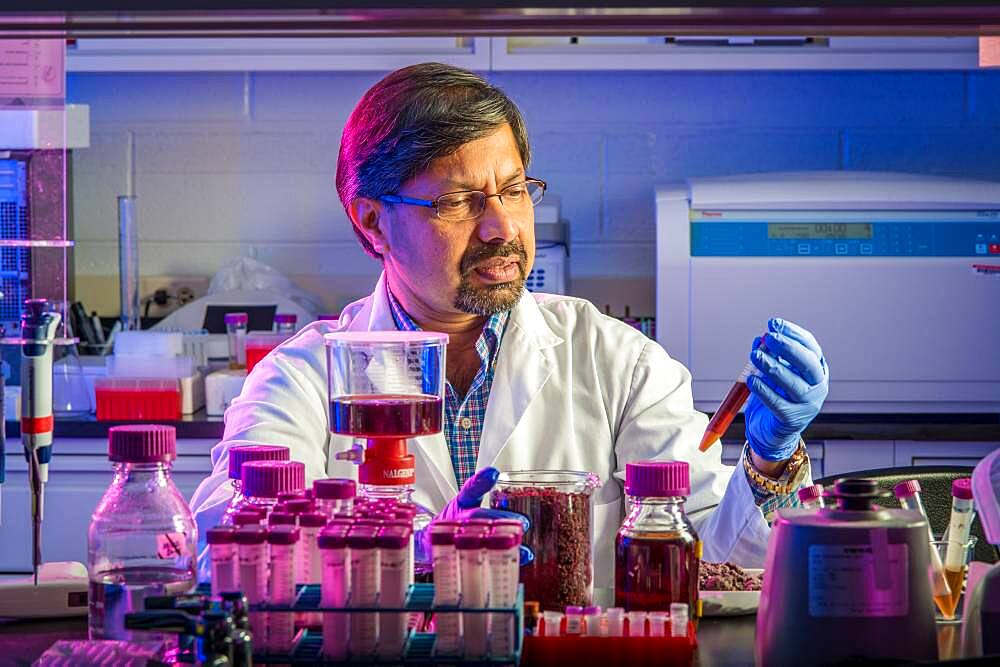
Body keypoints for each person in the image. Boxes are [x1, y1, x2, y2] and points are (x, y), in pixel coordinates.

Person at [189, 62, 829, 600]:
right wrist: (420, 549)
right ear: (373, 222)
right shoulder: (302, 378)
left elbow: (715, 553)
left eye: (515, 190)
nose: (503, 228)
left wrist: (769, 460)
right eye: (460, 202)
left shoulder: (616, 360)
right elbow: (226, 554)